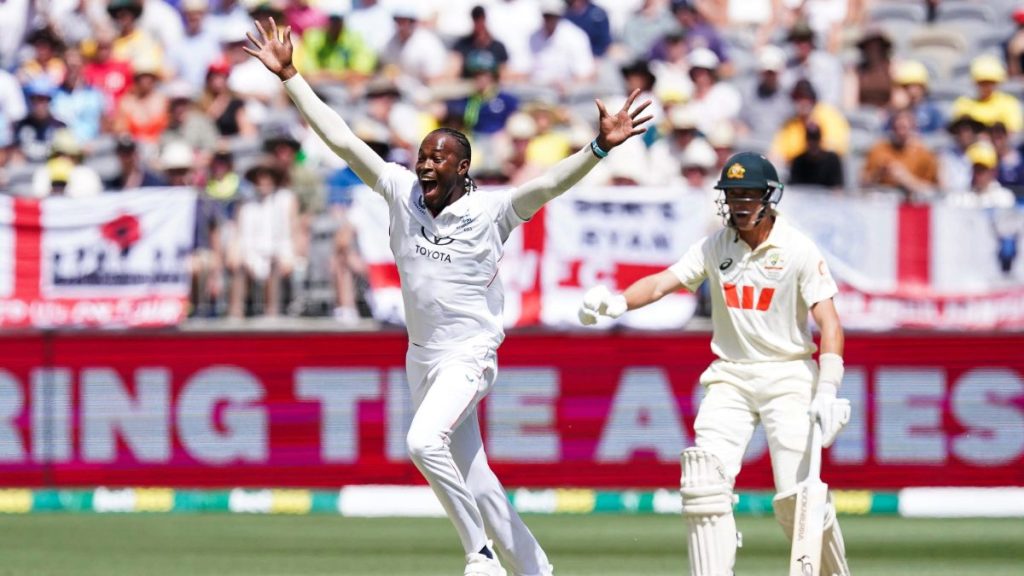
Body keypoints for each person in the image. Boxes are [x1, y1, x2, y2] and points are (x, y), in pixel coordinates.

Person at [244, 17, 652, 576]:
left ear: (463, 169)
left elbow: (548, 184)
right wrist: (291, 76)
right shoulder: (398, 190)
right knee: (479, 482)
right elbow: (341, 138)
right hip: (422, 358)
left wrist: (598, 149)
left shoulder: (492, 210)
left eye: (438, 158)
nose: (425, 164)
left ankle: (478, 554)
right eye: (422, 155)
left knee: (421, 442)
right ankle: (539, 571)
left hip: (470, 354)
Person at [578, 152, 852, 576]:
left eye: (748, 194)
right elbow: (662, 281)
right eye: (732, 194)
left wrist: (829, 388)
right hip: (731, 378)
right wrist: (618, 301)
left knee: (798, 499)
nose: (739, 204)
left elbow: (829, 322)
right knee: (703, 484)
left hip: (789, 376)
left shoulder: (797, 249)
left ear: (768, 197)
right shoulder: (715, 245)